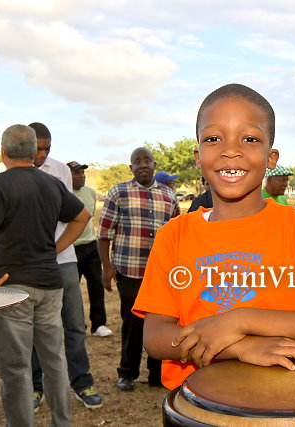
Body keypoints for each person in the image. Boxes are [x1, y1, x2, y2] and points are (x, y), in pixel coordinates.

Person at [132, 83, 295, 390]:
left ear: (271, 157)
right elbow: (156, 336)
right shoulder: (173, 235)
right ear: (198, 156)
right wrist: (242, 346)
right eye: (214, 139)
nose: (230, 150)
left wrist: (241, 320)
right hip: (198, 404)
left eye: (250, 139)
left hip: (290, 401)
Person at [0, 124, 91, 426]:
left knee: (15, 368)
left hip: (10, 288)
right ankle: (61, 422)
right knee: (54, 360)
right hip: (49, 284)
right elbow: (82, 216)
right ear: (32, 151)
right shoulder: (51, 183)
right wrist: (54, 249)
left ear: (3, 152)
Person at [29, 122, 103, 411]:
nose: (42, 155)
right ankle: (35, 388)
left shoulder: (59, 169)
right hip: (28, 263)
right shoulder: (7, 170)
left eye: (47, 149)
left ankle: (82, 382)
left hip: (63, 259)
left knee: (73, 323)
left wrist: (54, 249)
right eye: (37, 149)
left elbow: (68, 213)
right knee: (33, 327)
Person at [98, 147, 180, 391]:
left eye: (147, 161)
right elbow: (104, 234)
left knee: (162, 324)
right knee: (133, 324)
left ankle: (157, 374)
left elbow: (176, 234)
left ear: (154, 165)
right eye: (137, 161)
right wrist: (106, 268)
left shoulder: (169, 195)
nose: (143, 165)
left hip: (162, 274)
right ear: (131, 167)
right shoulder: (119, 192)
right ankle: (127, 372)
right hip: (130, 271)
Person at [67, 161, 112, 338]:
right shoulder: (64, 193)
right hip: (71, 248)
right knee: (72, 291)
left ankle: (98, 324)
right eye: (76, 173)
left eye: (82, 173)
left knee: (96, 286)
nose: (81, 176)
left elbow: (90, 217)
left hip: (91, 245)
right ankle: (76, 325)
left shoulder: (91, 193)